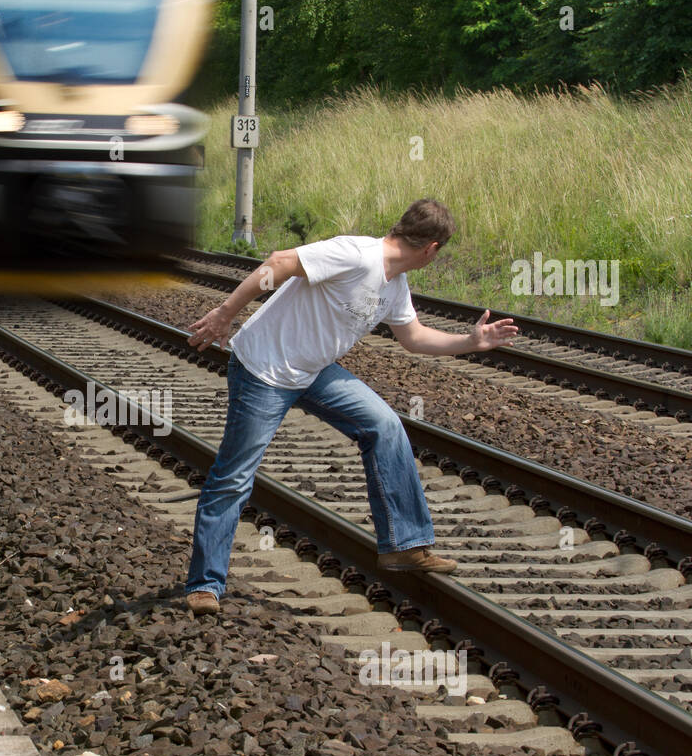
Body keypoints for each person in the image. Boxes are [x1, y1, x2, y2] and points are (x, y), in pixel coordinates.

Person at [183, 199, 517, 616]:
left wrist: (472, 342)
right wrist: (225, 312)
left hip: (313, 370)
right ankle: (204, 585)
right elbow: (280, 261)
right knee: (234, 476)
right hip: (263, 371)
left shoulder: (394, 285)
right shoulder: (356, 255)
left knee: (385, 425)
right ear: (432, 249)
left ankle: (405, 545)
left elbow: (413, 337)